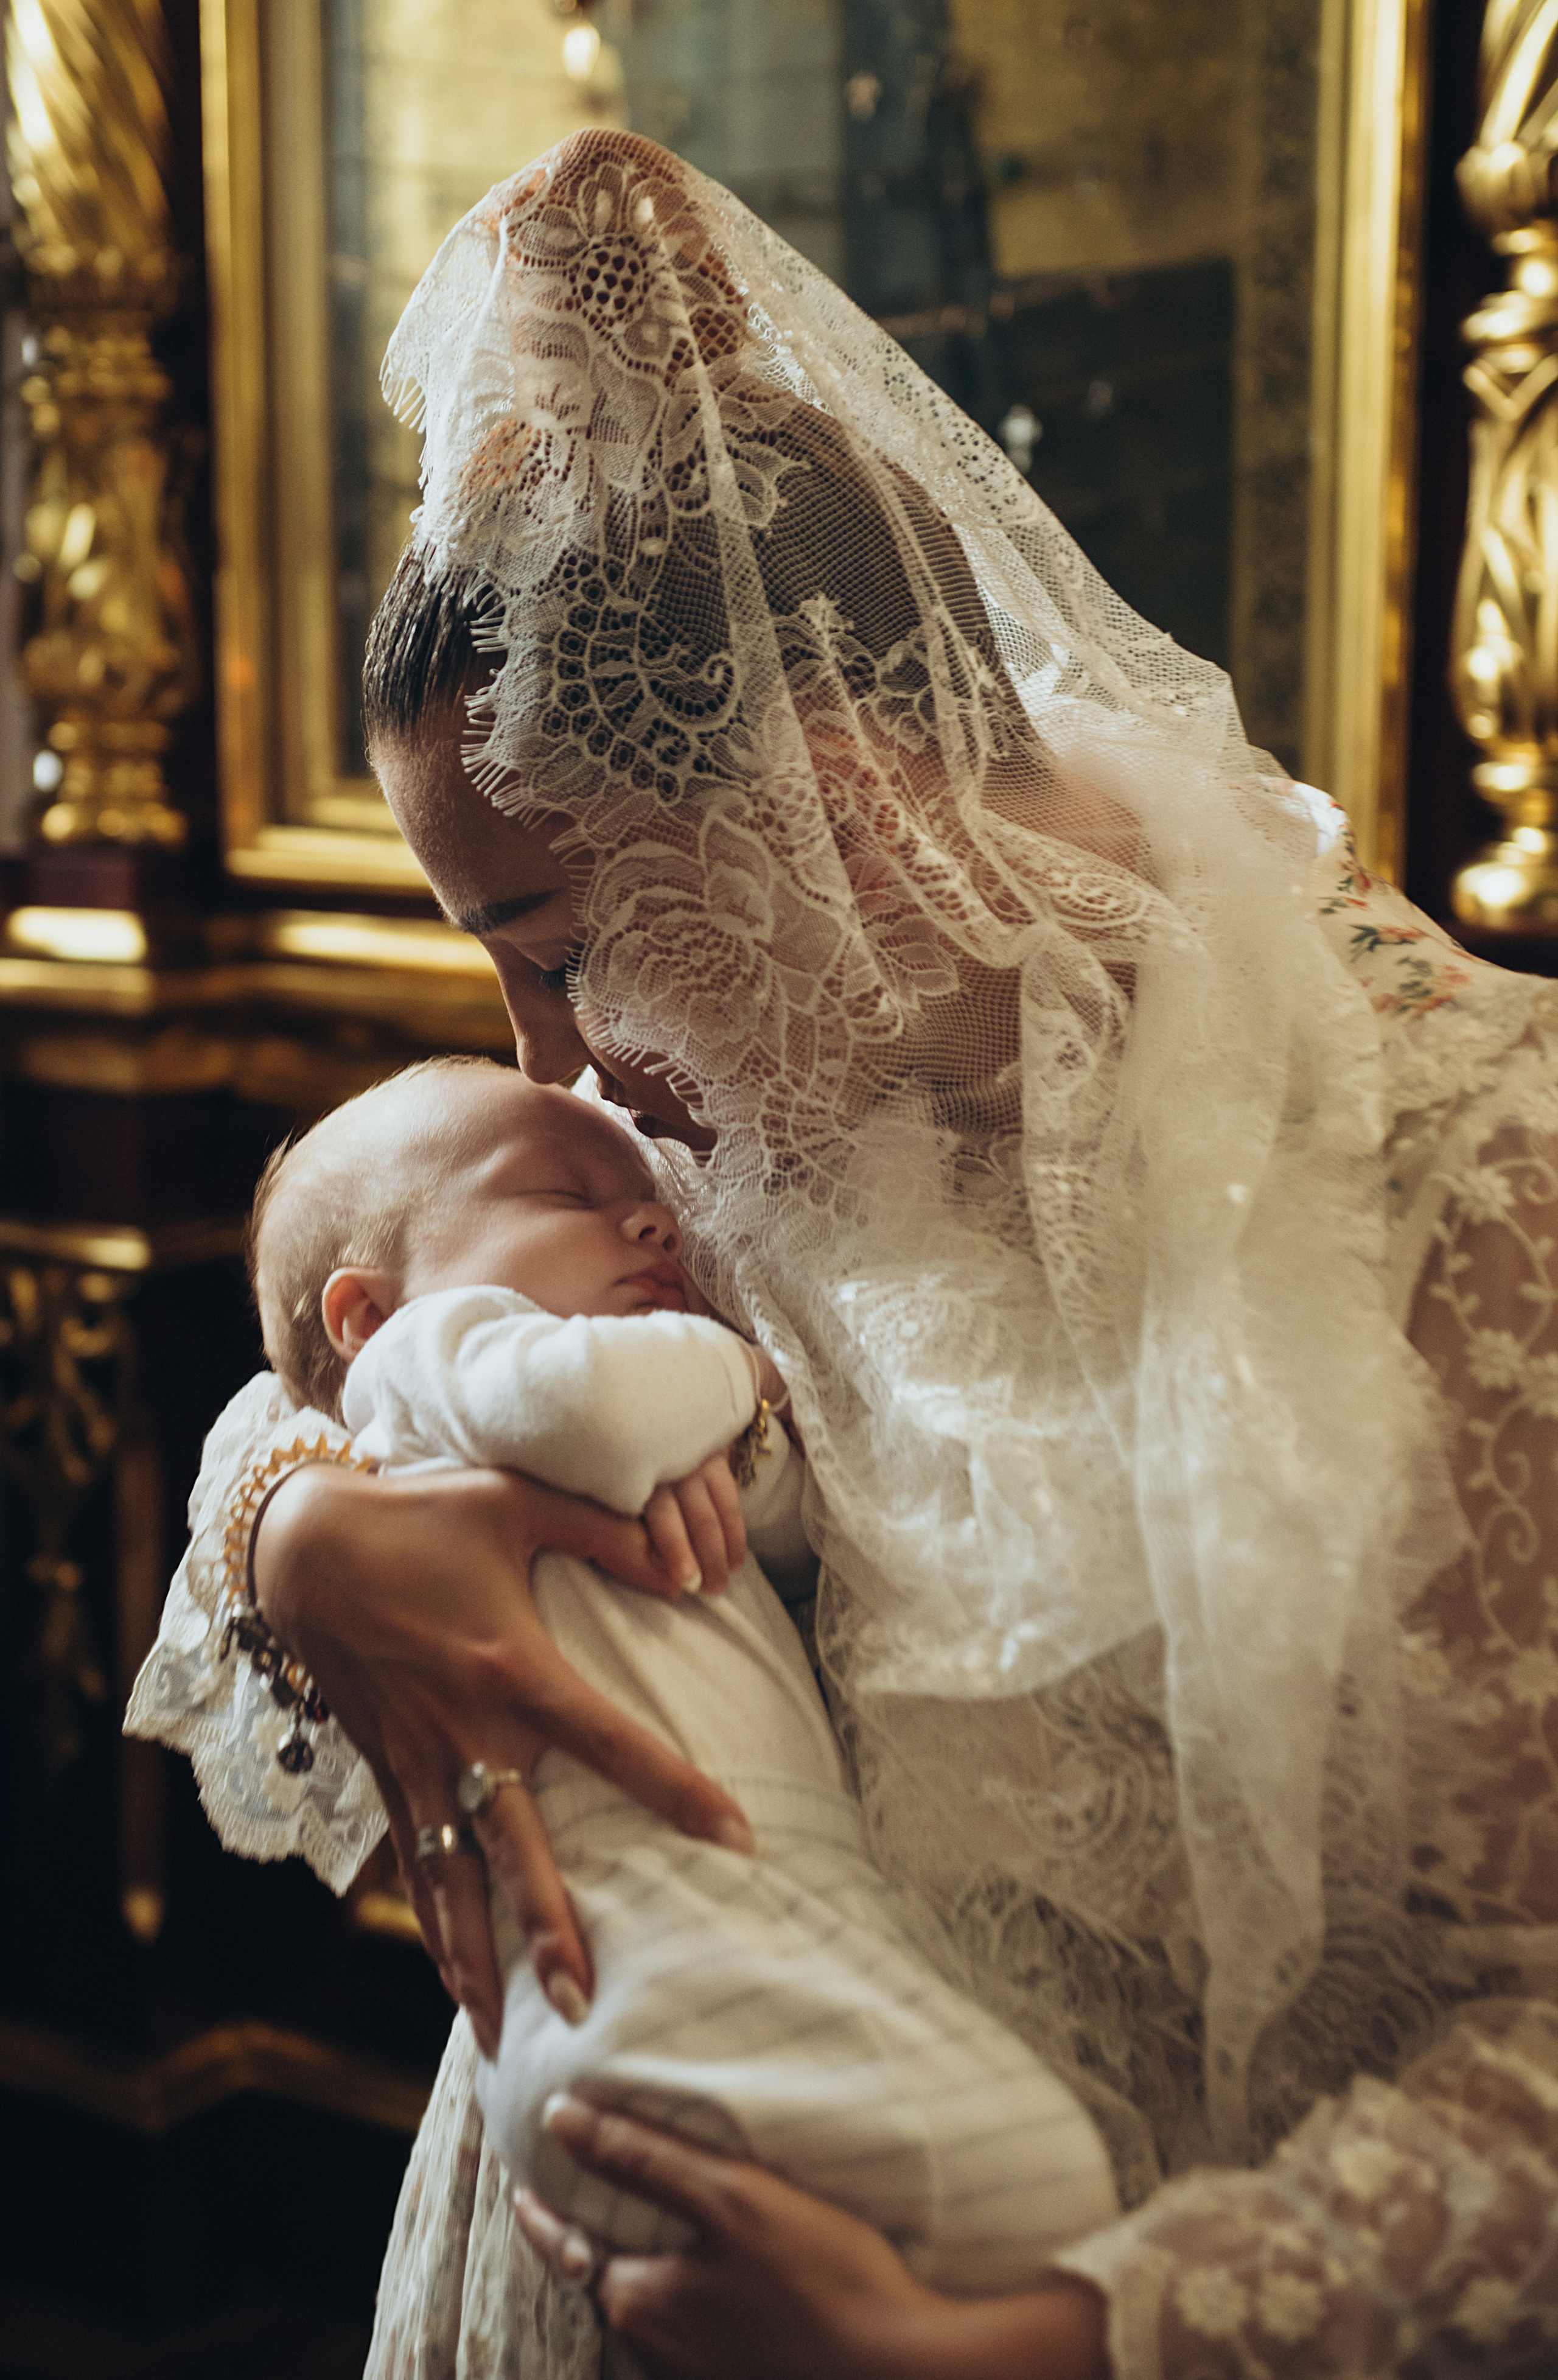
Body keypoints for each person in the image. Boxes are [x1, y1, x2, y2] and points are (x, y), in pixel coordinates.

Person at [128, 128, 1558, 2379]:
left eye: (571, 942)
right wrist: (297, 1528)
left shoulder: (1476, 1176)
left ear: (833, 787)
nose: (551, 1056)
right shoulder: (728, 1108)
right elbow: (376, 1329)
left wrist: (1030, 2345)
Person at [247, 1054, 1120, 2290]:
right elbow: (591, 1415)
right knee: (1032, 2193)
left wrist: (740, 1429)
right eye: (564, 1194)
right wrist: (743, 1370)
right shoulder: (431, 1356)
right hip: (630, 1915)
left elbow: (785, 1527)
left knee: (1026, 2188)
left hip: (776, 1892)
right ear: (363, 1314)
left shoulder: (611, 1375)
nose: (649, 1213)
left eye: (639, 1195)